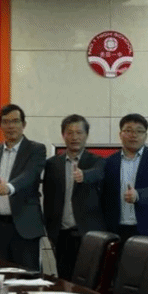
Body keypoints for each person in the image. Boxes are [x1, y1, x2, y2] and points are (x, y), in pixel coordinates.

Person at [0, 104, 46, 270]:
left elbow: (30, 175)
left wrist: (10, 187)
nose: (10, 126)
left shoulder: (36, 149)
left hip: (25, 228)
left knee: (28, 277)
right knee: (0, 276)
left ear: (23, 124)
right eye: (6, 122)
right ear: (0, 125)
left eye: (15, 121)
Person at [42, 115, 106, 279]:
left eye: (79, 132)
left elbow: (98, 174)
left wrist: (84, 176)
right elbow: (48, 199)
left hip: (88, 235)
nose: (74, 137)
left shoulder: (97, 162)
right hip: (61, 234)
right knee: (64, 278)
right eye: (70, 133)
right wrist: (50, 232)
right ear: (63, 135)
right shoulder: (52, 164)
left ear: (86, 135)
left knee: (87, 280)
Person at [103, 113, 148, 241]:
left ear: (145, 136)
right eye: (128, 131)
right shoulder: (109, 162)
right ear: (120, 134)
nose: (133, 135)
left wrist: (138, 195)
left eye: (139, 131)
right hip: (116, 230)